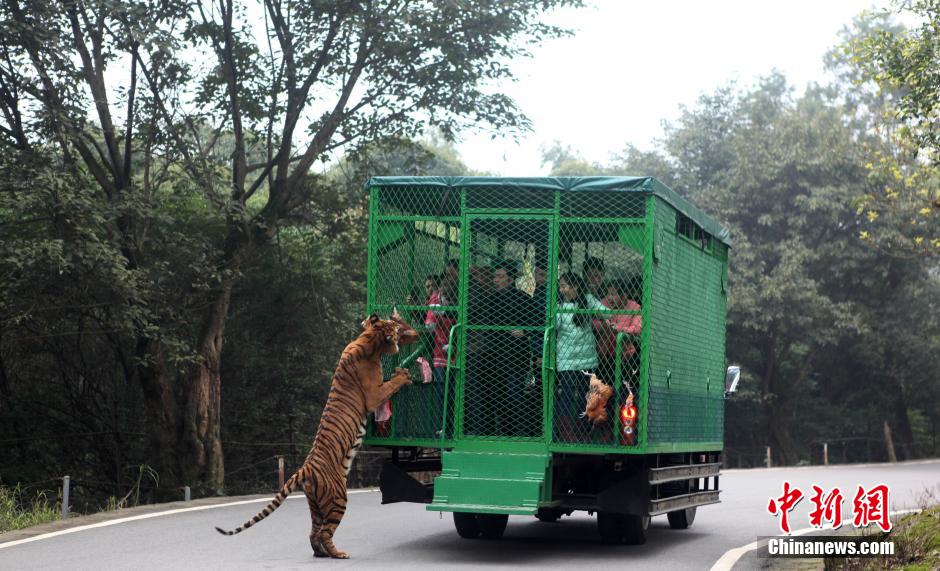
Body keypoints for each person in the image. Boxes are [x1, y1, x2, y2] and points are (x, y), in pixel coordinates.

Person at [554, 272, 606, 443]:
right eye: (560, 286)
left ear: (575, 286)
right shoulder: (559, 303)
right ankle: (566, 433)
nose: (561, 289)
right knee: (567, 394)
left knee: (586, 395)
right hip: (567, 358)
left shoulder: (587, 299)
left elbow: (605, 312)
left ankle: (584, 431)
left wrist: (605, 317)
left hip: (586, 357)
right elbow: (554, 324)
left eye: (564, 286)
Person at [595, 277, 643, 388]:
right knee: (603, 389)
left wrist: (619, 329)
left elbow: (637, 328)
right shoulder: (603, 303)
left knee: (624, 389)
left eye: (613, 294)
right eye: (608, 294)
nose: (609, 297)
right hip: (605, 354)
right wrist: (604, 325)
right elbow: (593, 322)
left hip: (625, 356)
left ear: (624, 295)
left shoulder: (634, 307)